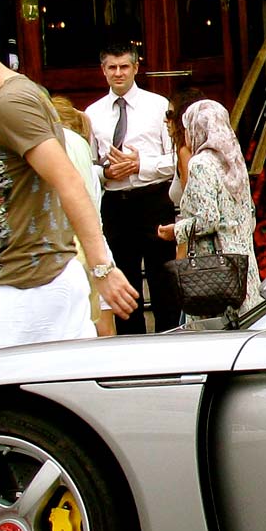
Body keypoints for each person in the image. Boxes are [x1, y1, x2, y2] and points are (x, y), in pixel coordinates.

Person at [0, 17, 137, 352]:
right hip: (25, 280)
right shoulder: (3, 101)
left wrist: (102, 268)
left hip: (30, 283)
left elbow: (69, 181)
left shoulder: (11, 103)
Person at [83, 40, 180, 334]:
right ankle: (130, 347)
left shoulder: (158, 106)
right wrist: (106, 173)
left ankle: (169, 339)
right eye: (112, 67)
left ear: (136, 67)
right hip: (115, 204)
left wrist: (141, 165)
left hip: (153, 200)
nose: (119, 73)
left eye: (124, 66)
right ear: (103, 71)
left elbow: (177, 159)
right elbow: (88, 162)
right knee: (123, 280)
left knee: (163, 278)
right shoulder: (92, 113)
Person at [156, 100, 263, 309]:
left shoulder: (201, 163)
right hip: (242, 265)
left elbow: (207, 220)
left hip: (215, 273)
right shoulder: (234, 160)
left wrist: (176, 231)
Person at [49, 95, 109, 338]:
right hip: (95, 236)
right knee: (101, 318)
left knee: (76, 321)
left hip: (71, 241)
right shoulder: (82, 144)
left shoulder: (57, 144)